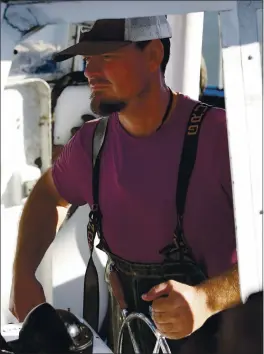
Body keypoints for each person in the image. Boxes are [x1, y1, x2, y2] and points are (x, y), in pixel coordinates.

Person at [9, 16, 241, 353]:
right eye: (87, 60)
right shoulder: (92, 143)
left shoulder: (223, 137)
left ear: (153, 55)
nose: (90, 71)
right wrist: (23, 276)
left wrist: (208, 298)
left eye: (107, 57)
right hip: (135, 334)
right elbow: (48, 195)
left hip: (227, 337)